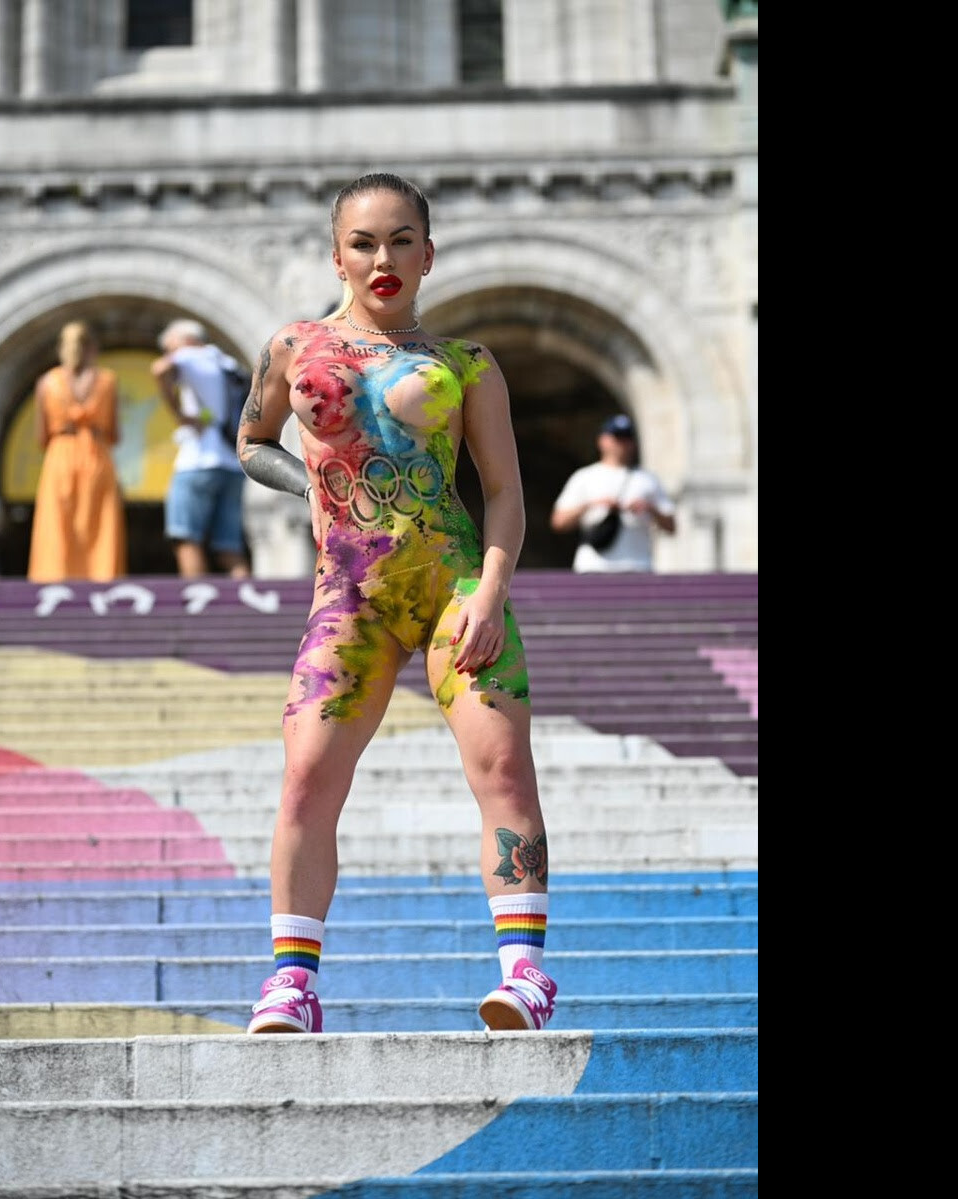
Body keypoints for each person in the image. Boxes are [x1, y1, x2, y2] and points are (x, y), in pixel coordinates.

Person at [235, 172, 556, 1036]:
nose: (384, 259)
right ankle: (292, 984)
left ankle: (525, 974)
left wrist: (490, 591)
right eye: (366, 242)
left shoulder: (465, 363)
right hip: (350, 592)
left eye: (402, 240)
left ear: (428, 253)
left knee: (502, 769)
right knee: (307, 776)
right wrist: (304, 481)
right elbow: (252, 442)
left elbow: (504, 493)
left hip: (454, 586)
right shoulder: (292, 347)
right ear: (336, 254)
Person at [27, 320, 127, 583]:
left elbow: (41, 436)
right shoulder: (107, 381)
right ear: (92, 347)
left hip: (59, 456)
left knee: (57, 524)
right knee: (100, 525)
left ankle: (54, 579)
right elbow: (115, 434)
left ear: (61, 348)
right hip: (97, 455)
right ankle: (101, 579)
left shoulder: (47, 382)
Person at [150, 319, 251, 579]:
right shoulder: (227, 362)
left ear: (181, 339)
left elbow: (159, 370)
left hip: (198, 460)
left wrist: (179, 413)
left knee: (185, 538)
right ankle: (246, 607)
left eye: (168, 346)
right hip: (232, 464)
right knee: (229, 547)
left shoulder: (188, 354)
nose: (168, 352)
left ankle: (196, 608)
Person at [549, 413, 677, 573]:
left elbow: (672, 526)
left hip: (638, 566)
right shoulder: (585, 477)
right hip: (593, 566)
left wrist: (649, 508)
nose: (622, 444)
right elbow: (559, 522)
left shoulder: (648, 479)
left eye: (627, 438)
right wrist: (594, 505)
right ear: (602, 440)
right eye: (617, 437)